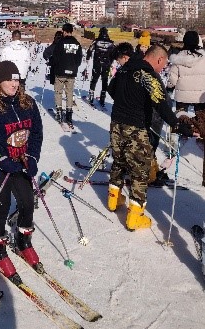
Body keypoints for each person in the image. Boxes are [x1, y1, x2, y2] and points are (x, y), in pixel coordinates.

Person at [107, 44, 193, 230]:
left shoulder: (124, 69)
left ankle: (113, 200)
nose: (163, 68)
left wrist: (125, 102)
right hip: (135, 128)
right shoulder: (148, 75)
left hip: (116, 124)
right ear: (159, 59)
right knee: (140, 171)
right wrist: (177, 125)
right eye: (164, 64)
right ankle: (135, 217)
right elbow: (161, 104)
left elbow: (111, 89)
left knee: (119, 161)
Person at [0, 61, 43, 279]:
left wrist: (32, 157)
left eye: (16, 80)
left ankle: (23, 240)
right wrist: (0, 159)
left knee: (27, 203)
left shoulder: (28, 104)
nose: (14, 84)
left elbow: (36, 134)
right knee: (2, 207)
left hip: (21, 163)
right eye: (9, 80)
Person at [51, 23, 83, 129]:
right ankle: (69, 115)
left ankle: (59, 113)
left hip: (60, 72)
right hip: (72, 73)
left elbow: (55, 57)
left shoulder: (60, 43)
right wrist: (74, 67)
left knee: (58, 92)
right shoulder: (77, 44)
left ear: (64, 31)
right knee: (69, 93)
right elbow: (79, 59)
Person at [166, 30, 205, 115]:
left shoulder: (178, 58)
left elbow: (172, 79)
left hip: (182, 97)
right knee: (201, 119)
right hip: (200, 98)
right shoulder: (203, 58)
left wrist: (169, 88)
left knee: (181, 118)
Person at [85, 27, 115, 107]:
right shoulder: (111, 43)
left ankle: (91, 97)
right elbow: (114, 53)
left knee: (94, 80)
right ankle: (102, 99)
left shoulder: (96, 41)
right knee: (105, 81)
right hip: (106, 64)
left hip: (97, 63)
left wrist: (87, 58)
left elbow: (90, 50)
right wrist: (111, 62)